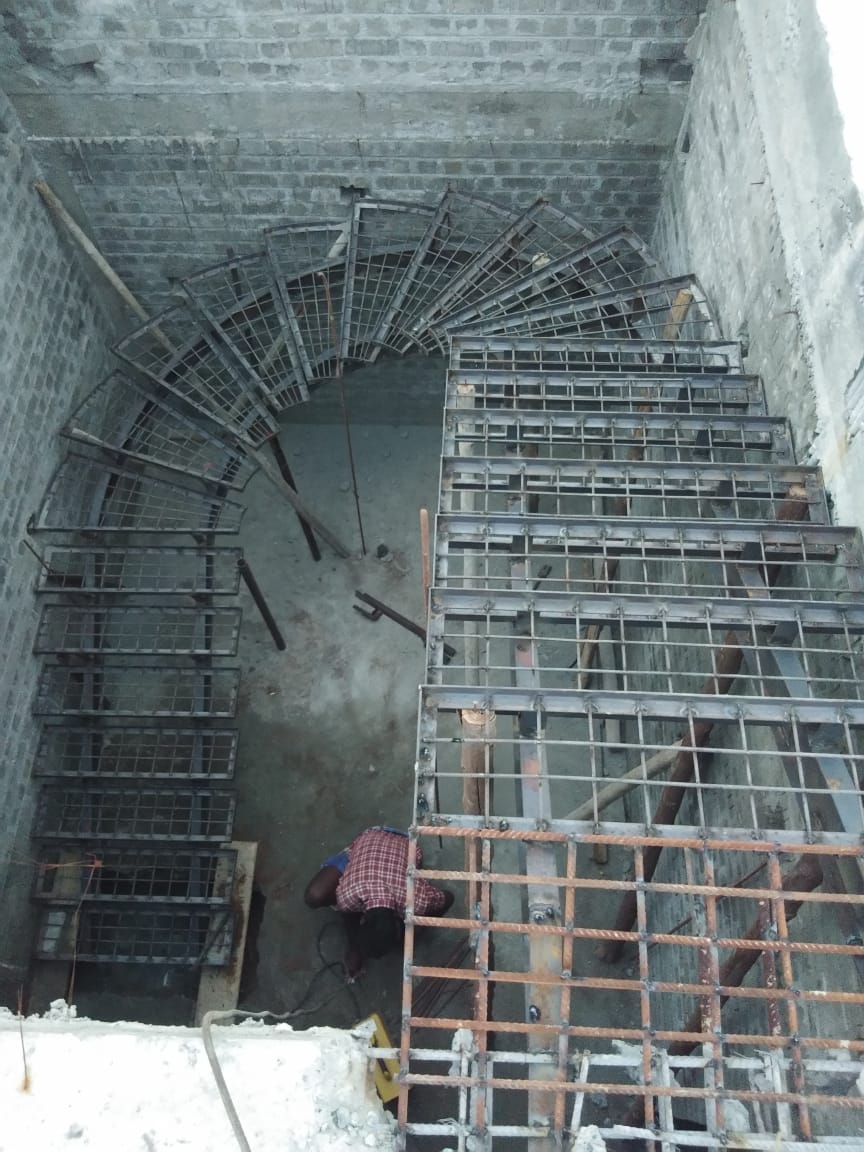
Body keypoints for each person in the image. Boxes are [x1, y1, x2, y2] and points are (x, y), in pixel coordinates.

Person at [304, 826, 454, 979]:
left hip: (406, 844)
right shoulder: (347, 895)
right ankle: (359, 858)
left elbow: (448, 898)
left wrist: (420, 926)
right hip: (370, 837)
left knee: (413, 932)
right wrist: (354, 948)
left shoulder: (419, 899)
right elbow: (348, 915)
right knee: (314, 896)